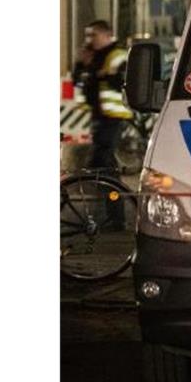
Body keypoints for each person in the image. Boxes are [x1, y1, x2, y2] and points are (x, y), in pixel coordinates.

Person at [72, 20, 133, 228]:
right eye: (87, 35)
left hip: (113, 117)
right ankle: (112, 215)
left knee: (102, 165)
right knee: (105, 167)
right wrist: (81, 65)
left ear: (107, 35)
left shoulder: (117, 54)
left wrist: (102, 75)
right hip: (99, 116)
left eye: (93, 35)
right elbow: (78, 82)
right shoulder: (92, 56)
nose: (89, 40)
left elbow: (123, 82)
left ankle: (114, 216)